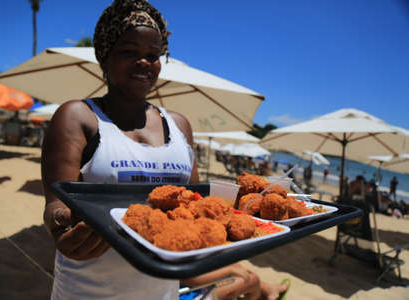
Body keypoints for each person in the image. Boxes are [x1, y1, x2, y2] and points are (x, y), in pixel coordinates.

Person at [41, 1, 288, 299]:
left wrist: (253, 208)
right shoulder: (77, 116)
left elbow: (196, 206)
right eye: (129, 52)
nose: (144, 62)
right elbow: (56, 202)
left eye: (152, 55)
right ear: (104, 58)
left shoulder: (179, 125)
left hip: (162, 290)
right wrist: (60, 226)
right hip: (87, 291)